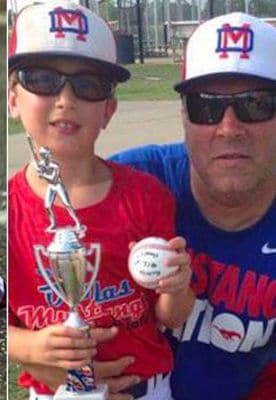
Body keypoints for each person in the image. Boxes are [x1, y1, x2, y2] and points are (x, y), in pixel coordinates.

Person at [6, 1, 195, 399]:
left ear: (109, 109)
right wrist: (33, 347)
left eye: (88, 84)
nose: (65, 98)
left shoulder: (146, 196)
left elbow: (169, 317)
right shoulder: (6, 210)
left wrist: (177, 286)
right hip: (52, 392)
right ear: (12, 97)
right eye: (41, 78)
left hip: (145, 390)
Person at [109, 12, 275, 400]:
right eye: (206, 106)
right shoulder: (124, 187)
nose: (230, 127)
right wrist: (51, 364)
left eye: (256, 104)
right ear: (183, 115)